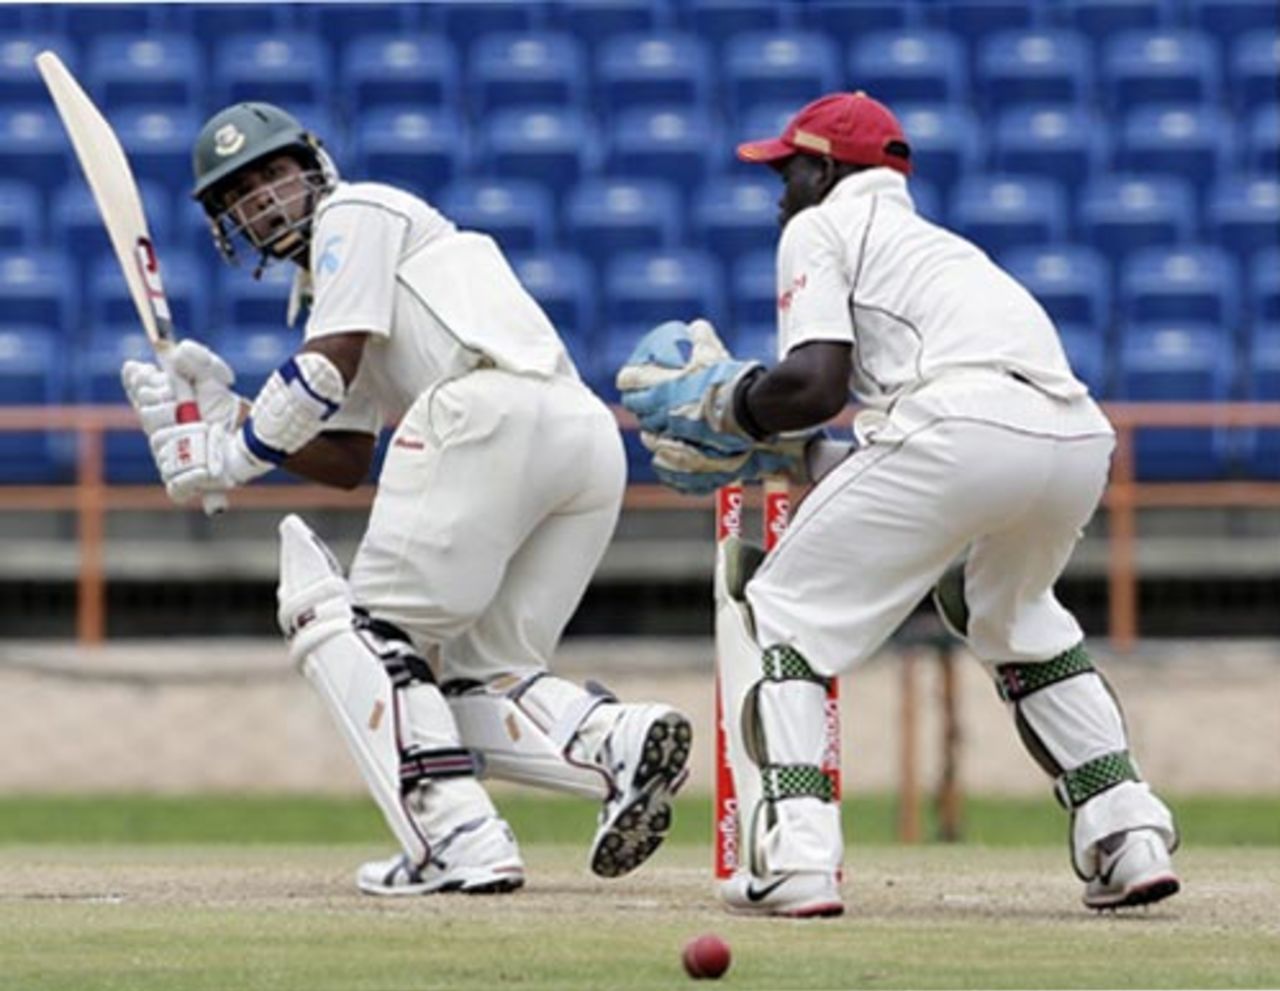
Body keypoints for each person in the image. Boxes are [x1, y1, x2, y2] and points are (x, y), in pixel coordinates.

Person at [617, 92, 1179, 918]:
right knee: (1009, 613)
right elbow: (919, 445)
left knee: (781, 607)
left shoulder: (821, 226)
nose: (779, 189)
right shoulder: (945, 249)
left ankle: (798, 855)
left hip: (959, 430)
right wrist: (799, 447)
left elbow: (815, 383)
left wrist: (733, 406)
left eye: (789, 168)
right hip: (1073, 438)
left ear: (830, 169)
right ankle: (1128, 833)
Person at [120, 102, 692, 896]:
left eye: (272, 174)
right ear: (227, 222)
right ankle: (612, 739)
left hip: (482, 410)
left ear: (312, 166)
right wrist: (235, 418)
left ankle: (456, 838)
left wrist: (227, 458)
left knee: (364, 635)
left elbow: (322, 372)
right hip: (581, 440)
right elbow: (347, 456)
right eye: (239, 192)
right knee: (476, 679)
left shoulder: (354, 212)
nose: (261, 199)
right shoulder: (339, 278)